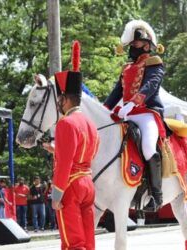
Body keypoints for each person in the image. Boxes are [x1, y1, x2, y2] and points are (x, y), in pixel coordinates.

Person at [42, 40, 100, 250]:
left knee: (73, 243)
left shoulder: (66, 123)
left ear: (65, 100)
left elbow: (66, 162)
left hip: (71, 186)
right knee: (88, 240)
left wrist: (56, 195)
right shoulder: (91, 124)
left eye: (60, 100)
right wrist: (55, 149)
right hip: (88, 183)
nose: (59, 104)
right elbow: (87, 151)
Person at [104, 20, 165, 212]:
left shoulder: (154, 63)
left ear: (147, 45)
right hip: (127, 113)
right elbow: (116, 93)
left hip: (147, 113)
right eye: (131, 43)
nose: (132, 46)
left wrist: (132, 103)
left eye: (135, 43)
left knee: (148, 147)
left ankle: (156, 196)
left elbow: (151, 86)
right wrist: (104, 110)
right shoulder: (126, 68)